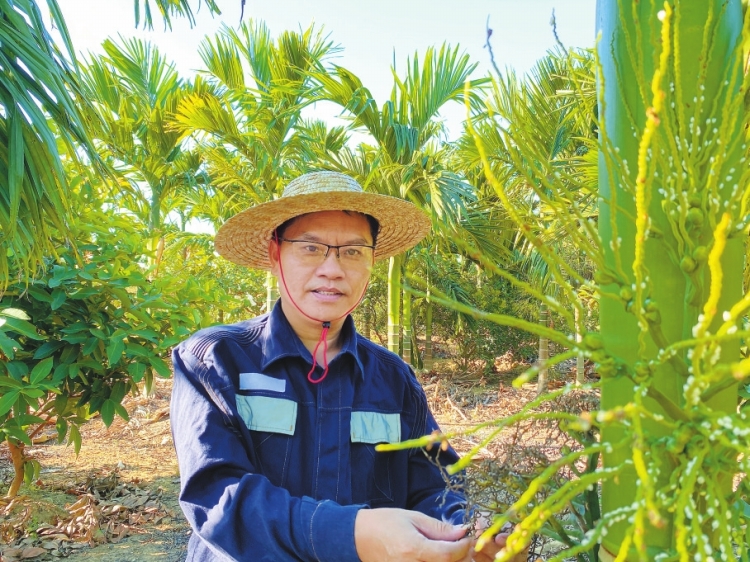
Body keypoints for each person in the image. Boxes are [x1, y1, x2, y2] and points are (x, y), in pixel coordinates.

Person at [170, 171, 525, 561]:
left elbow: (434, 484)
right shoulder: (214, 360)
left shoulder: (393, 379)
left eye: (353, 251)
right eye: (310, 248)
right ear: (275, 255)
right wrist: (352, 533)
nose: (333, 269)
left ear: (372, 261)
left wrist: (472, 524)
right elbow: (218, 498)